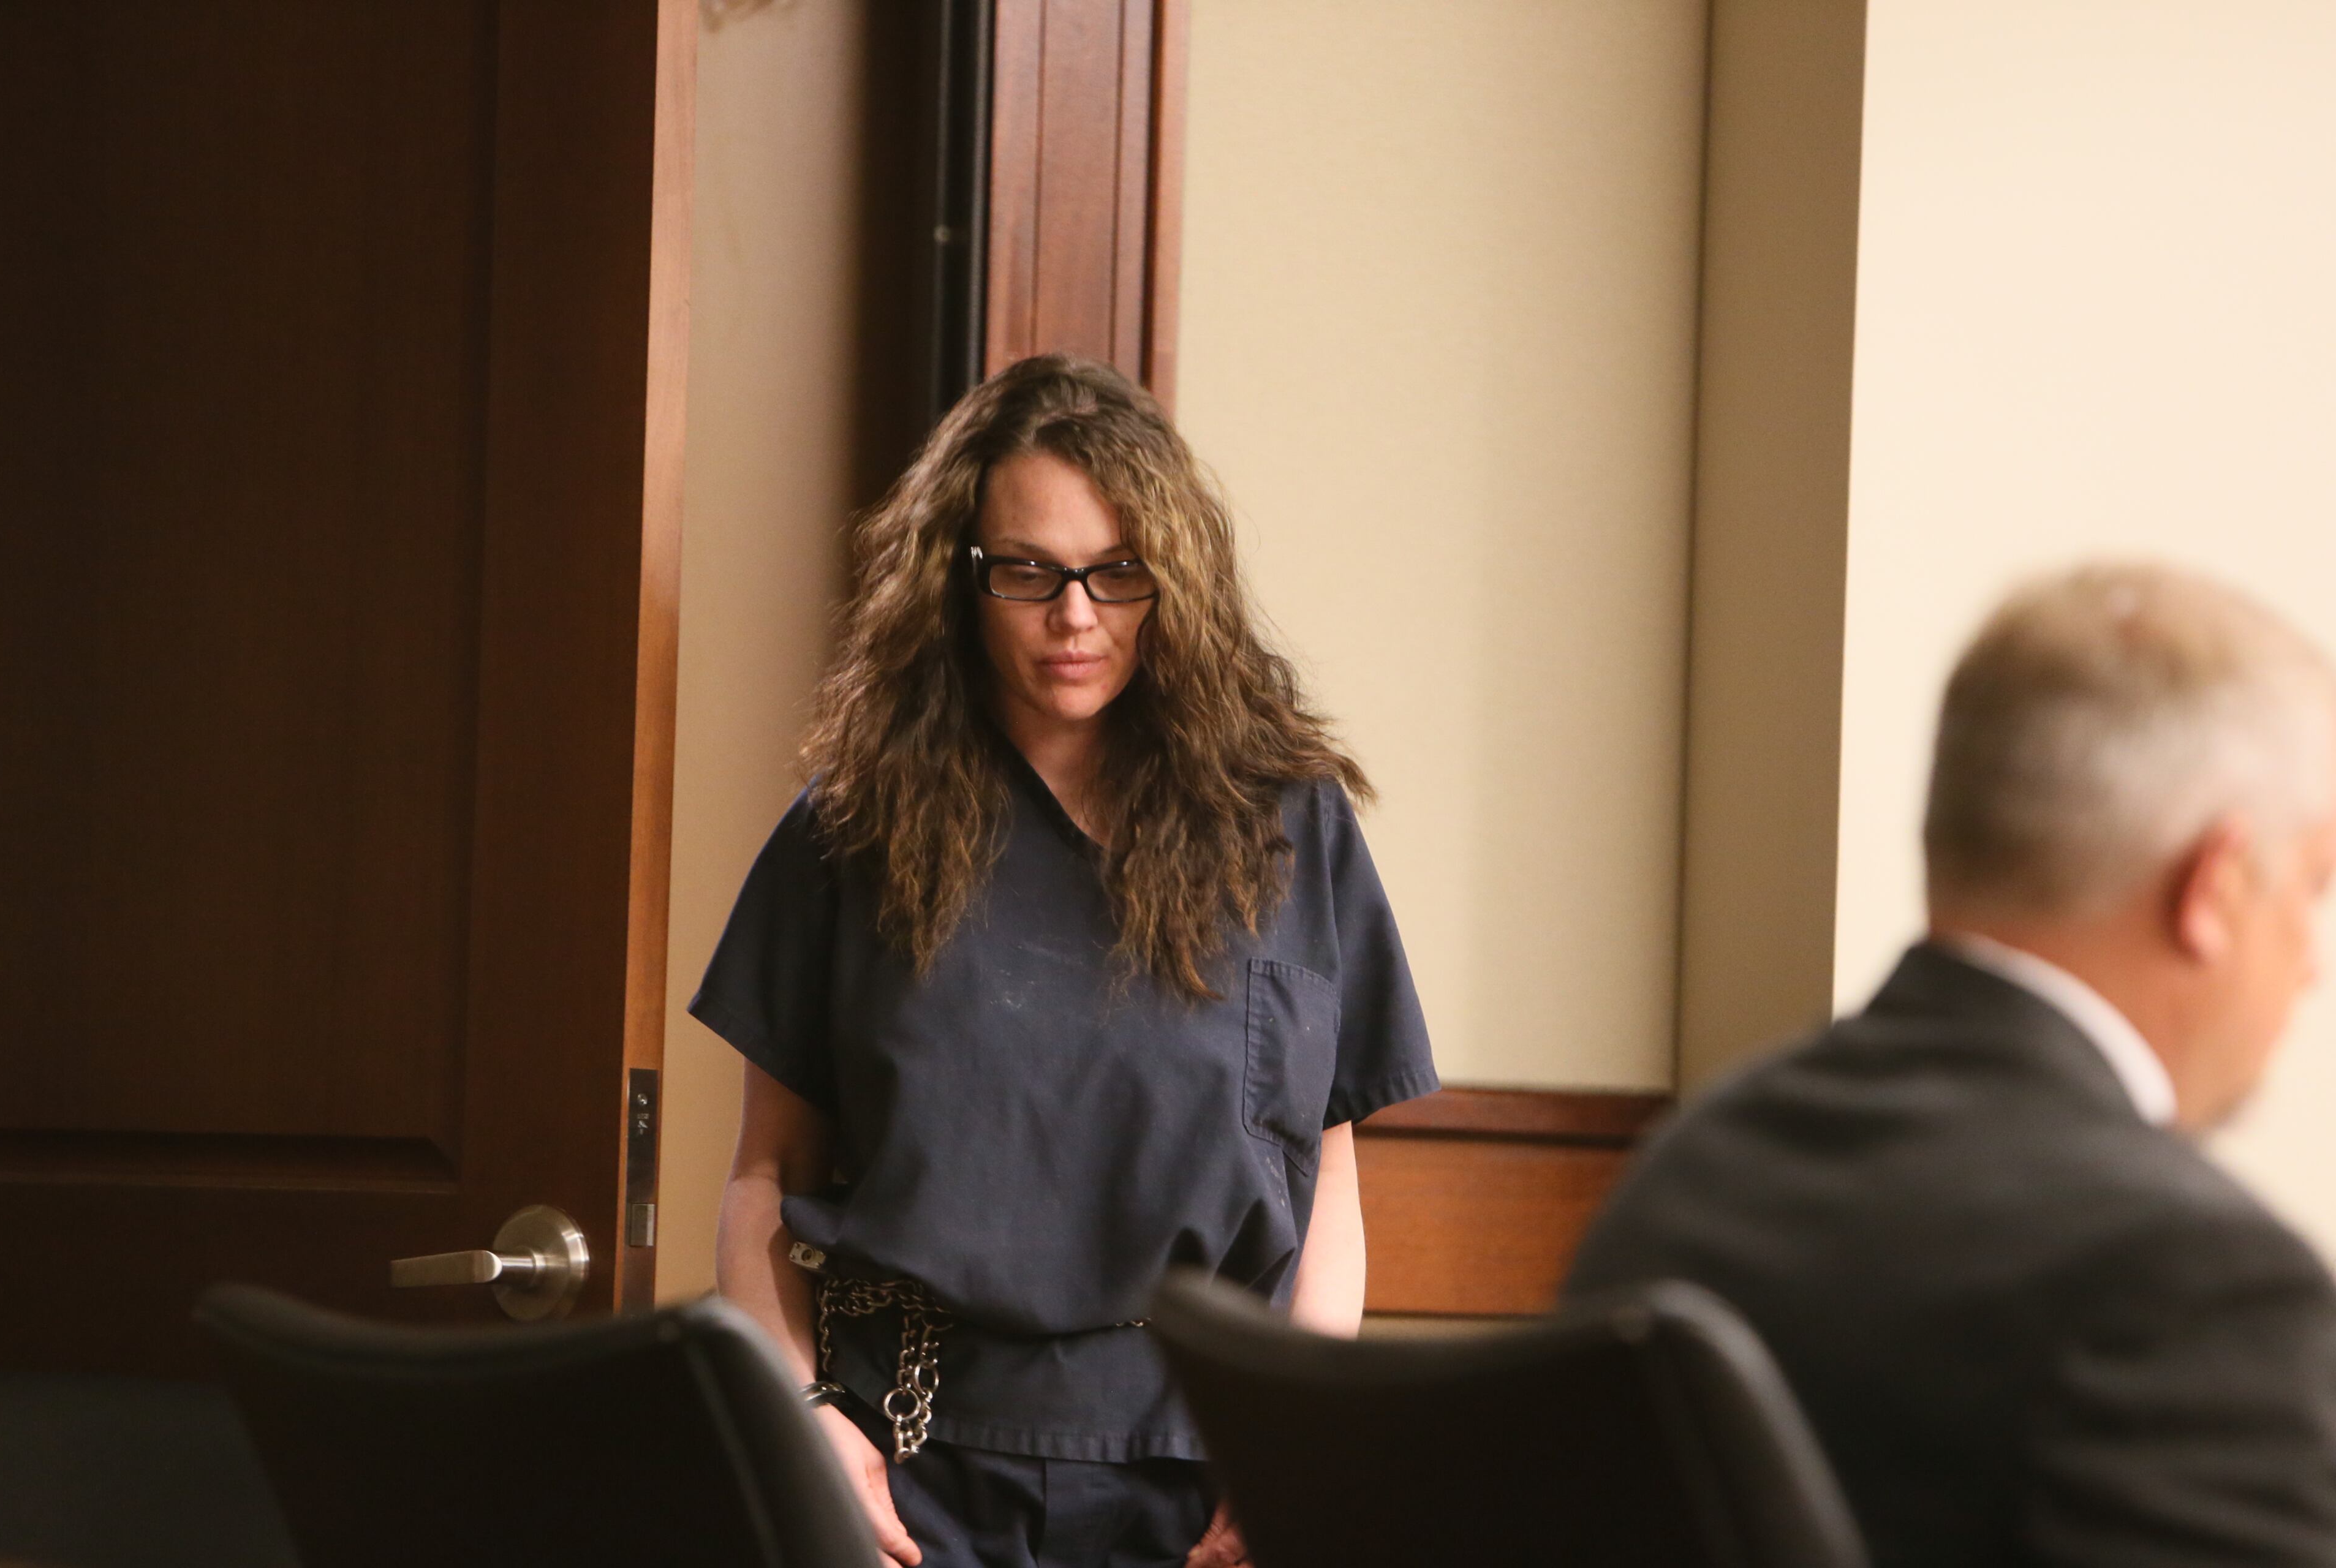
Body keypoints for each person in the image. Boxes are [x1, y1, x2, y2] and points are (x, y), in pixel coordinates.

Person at [692, 354, 1437, 1568]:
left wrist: (1294, 1446)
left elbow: (1328, 1188)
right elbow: (763, 1177)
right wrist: (810, 1422)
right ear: (960, 574)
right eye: (1028, 571)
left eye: (1117, 572)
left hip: (1207, 1475)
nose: (1075, 615)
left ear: (1174, 579)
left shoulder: (1287, 822)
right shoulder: (853, 829)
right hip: (914, 1469)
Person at [1568, 564, 2336, 1566]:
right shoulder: (2195, 1287)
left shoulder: (1686, 1177)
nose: (2314, 962)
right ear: (2217, 889)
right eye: (2314, 887)